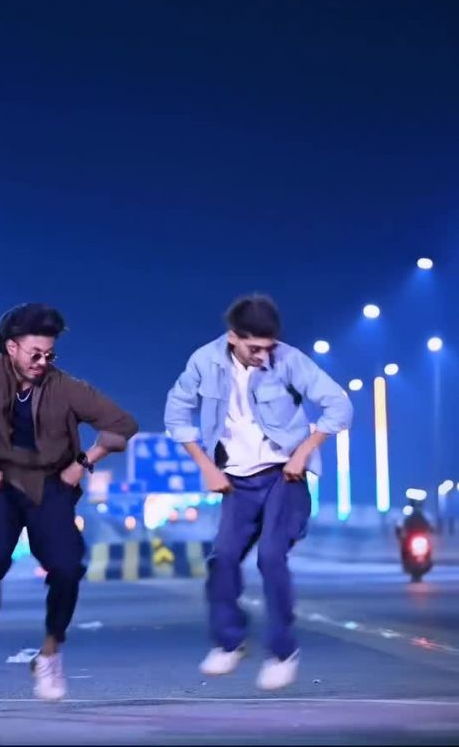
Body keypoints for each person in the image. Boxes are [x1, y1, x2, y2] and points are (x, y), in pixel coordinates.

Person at [0, 303, 138, 700]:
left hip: (51, 483)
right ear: (12, 347)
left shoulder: (65, 386)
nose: (42, 363)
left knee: (67, 567)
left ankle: (50, 655)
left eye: (49, 355)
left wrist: (83, 462)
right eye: (34, 354)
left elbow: (123, 424)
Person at [164, 294, 353, 691]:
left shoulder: (290, 360)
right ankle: (229, 642)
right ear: (233, 337)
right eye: (254, 348)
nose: (262, 356)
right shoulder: (204, 361)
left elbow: (339, 406)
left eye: (268, 347)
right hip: (236, 480)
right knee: (222, 559)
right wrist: (206, 467)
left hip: (285, 477)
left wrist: (302, 453)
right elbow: (176, 415)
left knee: (271, 557)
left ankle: (283, 652)